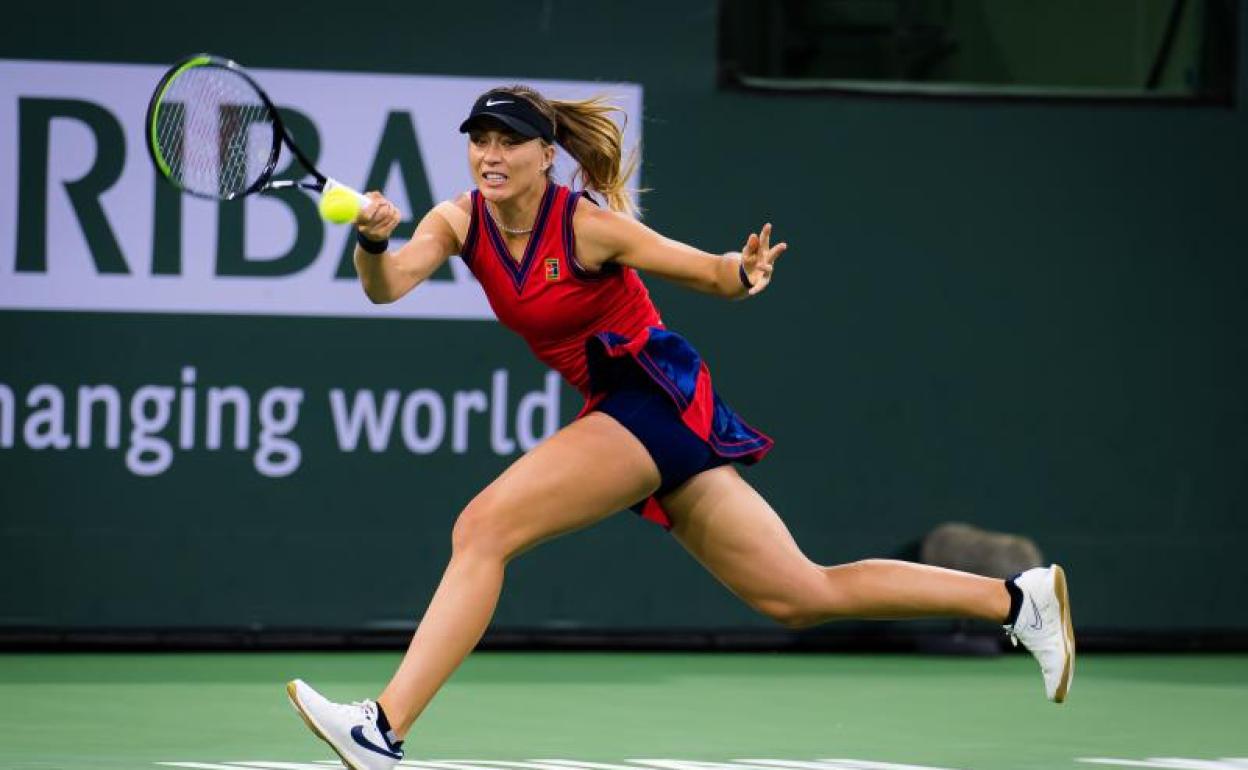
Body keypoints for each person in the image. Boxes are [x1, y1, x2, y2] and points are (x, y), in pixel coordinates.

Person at [286, 86, 1075, 770]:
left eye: (508, 142)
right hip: (633, 415)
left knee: (482, 529)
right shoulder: (458, 222)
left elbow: (708, 273)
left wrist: (744, 271)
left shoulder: (588, 228)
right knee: (800, 594)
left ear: (545, 154)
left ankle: (383, 727)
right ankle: (1017, 602)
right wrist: (371, 238)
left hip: (649, 399)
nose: (489, 155)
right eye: (479, 141)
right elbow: (387, 286)